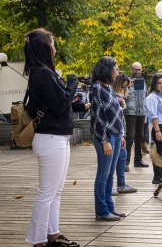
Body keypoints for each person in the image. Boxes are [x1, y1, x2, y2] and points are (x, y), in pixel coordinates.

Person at [25, 28, 82, 247]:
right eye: (52, 43)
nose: (55, 48)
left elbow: (55, 104)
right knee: (47, 194)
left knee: (55, 192)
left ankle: (52, 236)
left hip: (56, 139)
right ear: (44, 47)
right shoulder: (43, 74)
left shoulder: (42, 73)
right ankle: (38, 241)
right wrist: (72, 84)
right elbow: (59, 105)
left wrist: (71, 94)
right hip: (50, 139)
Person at [90, 56, 126, 221]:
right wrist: (104, 140)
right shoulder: (96, 87)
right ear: (107, 69)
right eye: (116, 69)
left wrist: (122, 133)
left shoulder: (109, 87)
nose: (117, 72)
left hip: (117, 135)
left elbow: (117, 113)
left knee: (110, 173)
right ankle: (101, 210)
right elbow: (98, 117)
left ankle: (110, 207)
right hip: (105, 136)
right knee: (103, 174)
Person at [112, 73, 137, 195]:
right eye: (122, 86)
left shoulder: (121, 95)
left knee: (122, 155)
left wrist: (122, 134)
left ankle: (121, 184)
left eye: (126, 87)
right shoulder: (111, 95)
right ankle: (110, 186)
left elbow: (121, 114)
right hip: (113, 131)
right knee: (111, 161)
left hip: (120, 130)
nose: (124, 89)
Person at [124, 62, 149, 169]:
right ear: (131, 69)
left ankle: (138, 160)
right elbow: (120, 95)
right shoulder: (126, 82)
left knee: (140, 137)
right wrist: (127, 86)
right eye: (135, 69)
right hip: (130, 112)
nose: (137, 71)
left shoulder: (143, 83)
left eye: (139, 69)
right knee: (130, 136)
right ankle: (125, 162)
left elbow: (145, 97)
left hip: (141, 113)